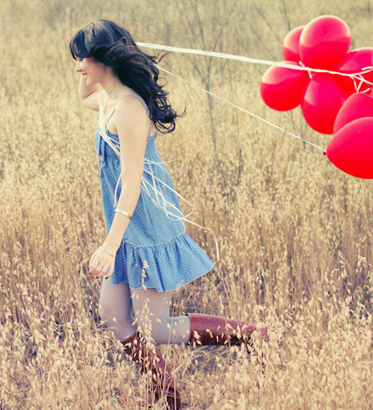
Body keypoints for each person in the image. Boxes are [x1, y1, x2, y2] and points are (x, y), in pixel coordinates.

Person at [70, 20, 267, 409]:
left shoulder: (129, 109)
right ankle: (167, 394)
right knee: (113, 313)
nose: (77, 67)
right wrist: (91, 65)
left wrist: (109, 246)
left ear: (104, 60)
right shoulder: (108, 99)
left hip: (147, 223)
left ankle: (250, 335)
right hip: (126, 224)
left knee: (155, 329)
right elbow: (85, 96)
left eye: (82, 59)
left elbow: (132, 184)